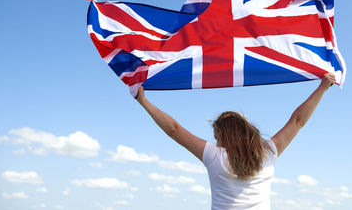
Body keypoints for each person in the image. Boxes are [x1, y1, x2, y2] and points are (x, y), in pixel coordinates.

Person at [135, 73, 336, 210]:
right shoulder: (268, 152)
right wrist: (322, 88)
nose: (215, 140)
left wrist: (143, 101)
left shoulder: (214, 156)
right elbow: (298, 121)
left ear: (225, 134)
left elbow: (173, 130)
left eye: (217, 135)